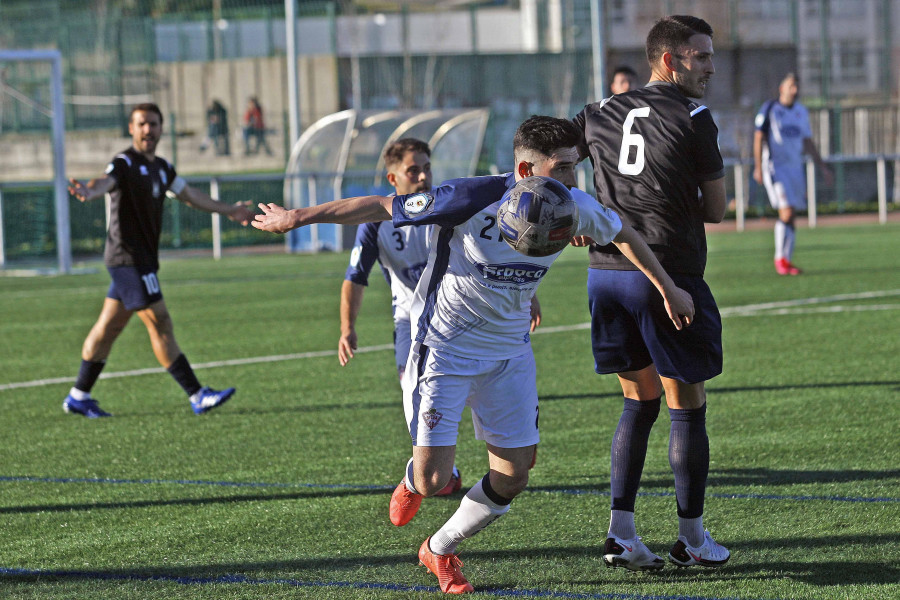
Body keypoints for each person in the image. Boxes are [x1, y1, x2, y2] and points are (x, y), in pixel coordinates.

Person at [253, 115, 695, 593]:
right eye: (563, 168)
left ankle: (439, 549)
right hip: (444, 349)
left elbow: (624, 233)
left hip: (509, 355)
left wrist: (667, 288)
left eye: (575, 168)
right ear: (527, 171)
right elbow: (382, 205)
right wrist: (296, 217)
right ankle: (412, 479)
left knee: (515, 474)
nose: (573, 179)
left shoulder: (572, 205)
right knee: (432, 479)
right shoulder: (470, 197)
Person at [573, 15, 731, 571]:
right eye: (702, 57)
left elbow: (548, 151)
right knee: (686, 408)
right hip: (668, 274)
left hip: (604, 274)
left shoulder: (599, 111)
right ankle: (692, 539)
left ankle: (621, 533)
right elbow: (715, 209)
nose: (711, 67)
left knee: (637, 402)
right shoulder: (694, 116)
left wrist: (573, 204)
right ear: (671, 60)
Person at [64, 103, 255, 418]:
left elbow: (191, 196)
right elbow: (105, 182)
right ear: (131, 128)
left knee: (109, 326)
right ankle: (197, 394)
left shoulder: (163, 168)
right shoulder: (124, 163)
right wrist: (90, 189)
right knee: (161, 321)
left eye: (153, 124)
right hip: (128, 259)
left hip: (141, 260)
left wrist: (229, 210)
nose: (148, 130)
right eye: (141, 124)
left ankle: (78, 395)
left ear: (161, 128)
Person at [339, 138, 463, 497]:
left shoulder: (449, 206)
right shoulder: (376, 224)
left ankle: (509, 450)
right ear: (393, 180)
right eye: (414, 170)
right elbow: (355, 278)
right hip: (410, 319)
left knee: (474, 387)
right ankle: (439, 470)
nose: (423, 177)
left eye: (427, 167)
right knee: (414, 389)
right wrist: (347, 328)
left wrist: (526, 296)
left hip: (459, 312)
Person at [753, 73, 833, 275]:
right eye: (791, 86)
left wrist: (822, 166)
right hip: (775, 168)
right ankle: (780, 259)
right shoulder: (770, 109)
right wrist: (757, 167)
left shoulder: (800, 112)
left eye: (797, 86)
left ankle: (787, 260)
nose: (795, 90)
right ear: (782, 89)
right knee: (786, 212)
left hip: (795, 168)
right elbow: (758, 137)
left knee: (792, 215)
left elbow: (807, 141)